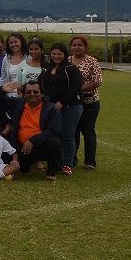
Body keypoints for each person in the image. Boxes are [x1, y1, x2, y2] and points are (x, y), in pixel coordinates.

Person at [6, 79, 63, 180]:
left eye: (36, 92)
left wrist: (33, 140)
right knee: (5, 146)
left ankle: (52, 171)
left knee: (55, 142)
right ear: (24, 94)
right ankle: (27, 165)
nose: (32, 94)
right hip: (21, 146)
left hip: (41, 146)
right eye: (28, 92)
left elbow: (53, 130)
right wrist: (2, 90)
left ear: (42, 93)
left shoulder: (51, 108)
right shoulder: (19, 104)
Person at [42, 42, 84, 175]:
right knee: (54, 136)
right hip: (51, 107)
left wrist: (62, 102)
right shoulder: (47, 68)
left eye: (59, 54)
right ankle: (56, 162)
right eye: (54, 53)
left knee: (67, 134)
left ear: (65, 54)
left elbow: (76, 87)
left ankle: (67, 164)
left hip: (70, 107)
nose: (56, 56)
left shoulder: (71, 68)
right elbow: (40, 85)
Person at [69, 35, 102, 170]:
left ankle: (90, 161)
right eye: (74, 45)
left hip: (89, 102)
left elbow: (97, 81)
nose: (76, 48)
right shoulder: (67, 60)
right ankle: (71, 159)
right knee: (72, 131)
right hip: (71, 102)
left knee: (87, 130)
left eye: (79, 45)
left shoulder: (92, 61)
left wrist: (77, 90)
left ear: (85, 47)